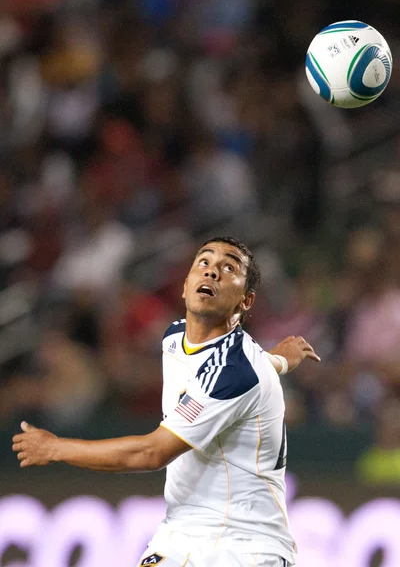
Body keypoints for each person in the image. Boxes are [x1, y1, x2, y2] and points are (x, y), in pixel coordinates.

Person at [12, 236, 320, 567]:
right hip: (180, 536)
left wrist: (55, 448)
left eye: (228, 267)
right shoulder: (174, 339)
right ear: (185, 286)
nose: (212, 272)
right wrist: (278, 361)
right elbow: (246, 367)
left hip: (243, 545)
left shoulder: (236, 369)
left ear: (246, 302)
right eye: (204, 262)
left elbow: (152, 452)